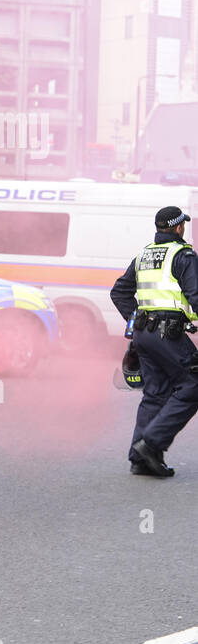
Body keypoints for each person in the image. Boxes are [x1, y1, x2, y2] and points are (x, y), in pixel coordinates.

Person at [109, 205, 198, 478]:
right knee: (193, 385)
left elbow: (119, 292)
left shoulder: (144, 255)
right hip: (168, 335)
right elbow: (196, 296)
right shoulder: (183, 256)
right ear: (179, 227)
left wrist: (136, 320)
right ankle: (151, 444)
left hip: (144, 335)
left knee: (155, 393)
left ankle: (140, 459)